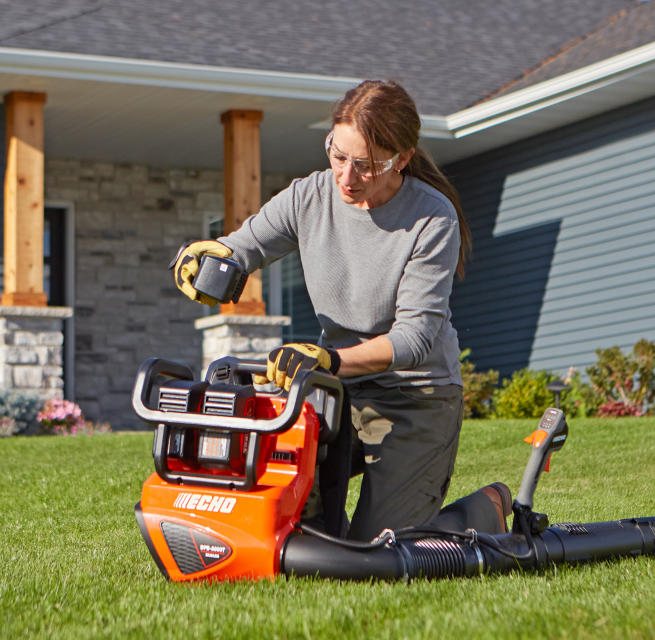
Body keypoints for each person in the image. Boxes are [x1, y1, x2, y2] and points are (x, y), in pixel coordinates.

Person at [172, 80, 512, 541]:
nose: (346, 178)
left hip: (415, 399)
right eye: (337, 155)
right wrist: (205, 260)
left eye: (366, 166)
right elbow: (241, 248)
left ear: (402, 159)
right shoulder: (309, 196)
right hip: (335, 391)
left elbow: (414, 339)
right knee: (294, 519)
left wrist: (328, 358)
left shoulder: (433, 218)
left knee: (379, 550)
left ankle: (484, 509)